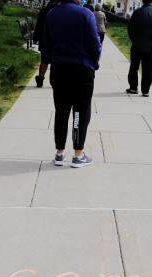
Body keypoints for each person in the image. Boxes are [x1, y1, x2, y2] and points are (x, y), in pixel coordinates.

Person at [44, 0, 102, 168]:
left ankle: (59, 153)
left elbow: (46, 44)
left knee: (61, 111)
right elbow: (94, 43)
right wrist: (95, 64)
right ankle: (78, 155)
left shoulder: (51, 14)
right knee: (80, 112)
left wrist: (55, 59)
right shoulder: (85, 14)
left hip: (59, 68)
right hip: (81, 68)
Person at [126, 0, 152, 97]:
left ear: (142, 0)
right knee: (148, 69)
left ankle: (133, 87)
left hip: (137, 45)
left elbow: (130, 28)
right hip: (151, 46)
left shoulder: (137, 12)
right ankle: (145, 90)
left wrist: (134, 39)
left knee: (134, 67)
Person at [33, 0, 59, 88]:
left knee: (44, 61)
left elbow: (38, 25)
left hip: (44, 39)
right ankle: (54, 81)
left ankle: (40, 79)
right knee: (55, 62)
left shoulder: (43, 11)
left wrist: (35, 37)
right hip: (56, 40)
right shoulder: (58, 12)